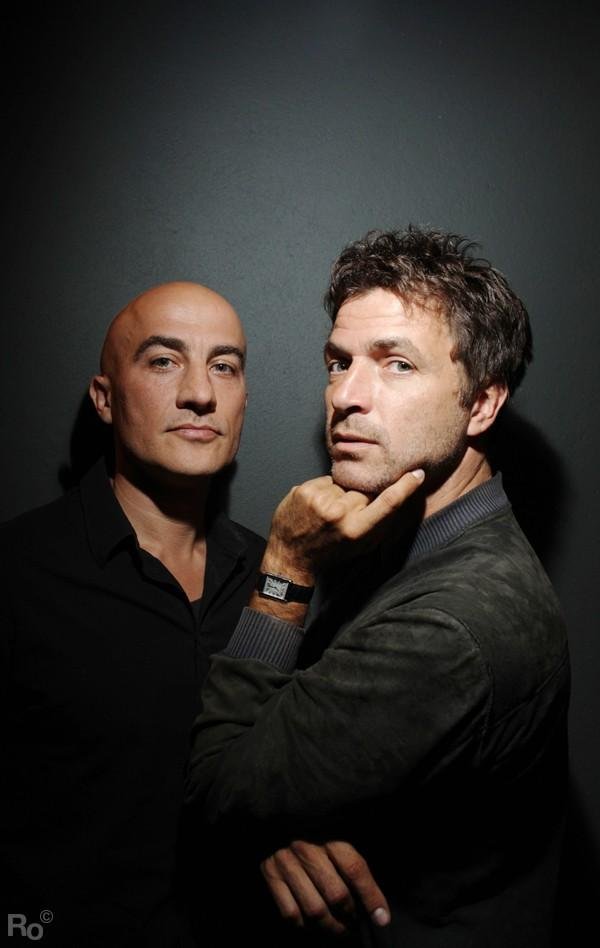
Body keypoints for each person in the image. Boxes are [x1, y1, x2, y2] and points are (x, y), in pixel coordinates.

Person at [186, 229, 571, 947]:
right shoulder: (400, 536)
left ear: (482, 404)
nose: (345, 397)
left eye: (397, 364)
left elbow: (211, 790)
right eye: (339, 363)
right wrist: (276, 827)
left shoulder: (449, 625)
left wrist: (287, 562)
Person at [1, 281, 389, 947]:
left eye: (224, 366)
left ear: (243, 402)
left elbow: (274, 770)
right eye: (163, 361)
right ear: (104, 399)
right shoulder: (17, 572)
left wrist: (280, 829)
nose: (200, 393)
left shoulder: (279, 579)